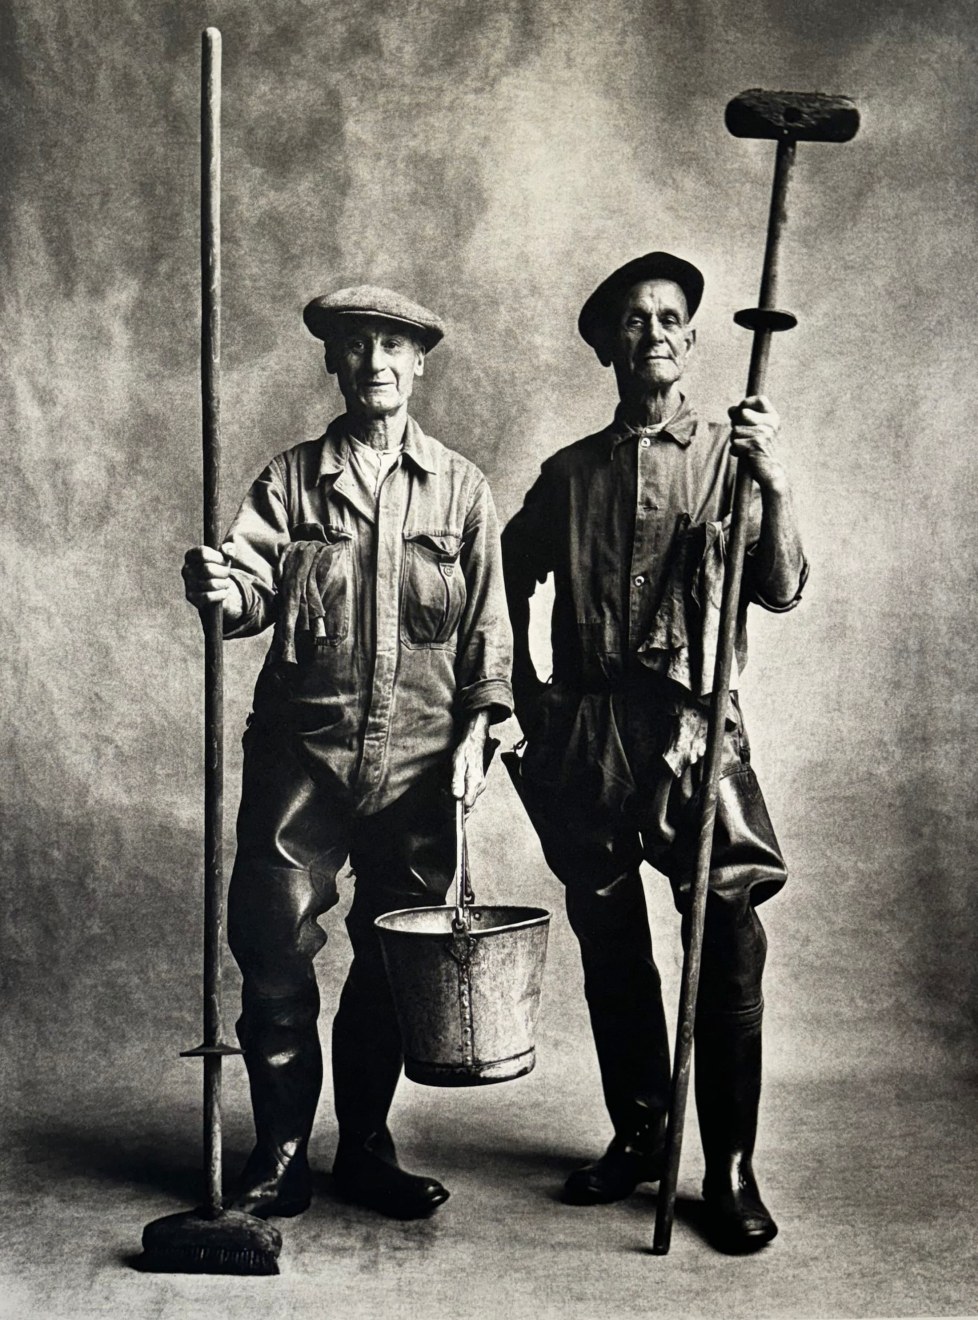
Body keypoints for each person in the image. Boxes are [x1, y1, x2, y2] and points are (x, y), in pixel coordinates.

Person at [182, 285, 513, 1221]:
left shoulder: (462, 488)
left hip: (420, 765)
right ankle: (282, 1153)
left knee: (390, 963)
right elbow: (247, 596)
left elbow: (488, 635)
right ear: (334, 363)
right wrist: (220, 586)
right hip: (304, 756)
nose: (375, 361)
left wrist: (478, 735)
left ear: (419, 366)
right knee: (273, 949)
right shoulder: (289, 482)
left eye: (393, 347)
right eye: (356, 345)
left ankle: (365, 1148)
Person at [501, 252, 807, 1252]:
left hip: (694, 730)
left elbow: (784, 585)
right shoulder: (569, 474)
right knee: (614, 952)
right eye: (633, 321)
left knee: (724, 946)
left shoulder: (731, 453)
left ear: (691, 335)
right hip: (588, 742)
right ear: (608, 347)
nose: (657, 333)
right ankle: (639, 1135)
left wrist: (777, 483)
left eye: (671, 316)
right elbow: (509, 573)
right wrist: (532, 702)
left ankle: (727, 1169)